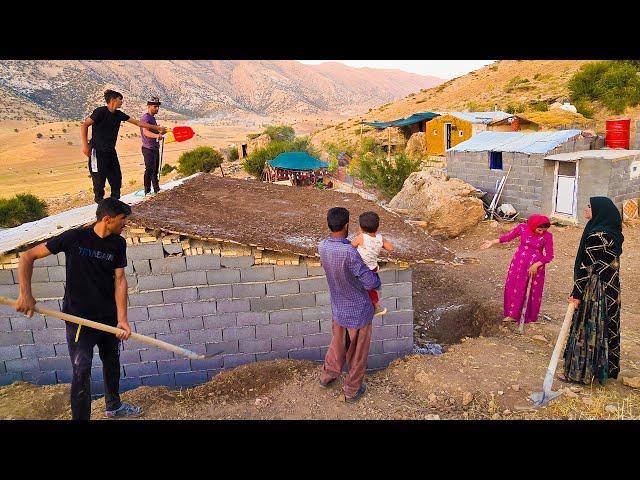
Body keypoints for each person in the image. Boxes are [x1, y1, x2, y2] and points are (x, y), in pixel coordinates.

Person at [15, 198, 142, 420]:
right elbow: (28, 256)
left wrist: (122, 319)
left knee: (112, 362)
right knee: (81, 369)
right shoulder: (74, 238)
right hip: (79, 320)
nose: (125, 225)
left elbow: (120, 280)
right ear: (107, 219)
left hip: (108, 318)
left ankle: (114, 407)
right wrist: (25, 293)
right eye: (122, 220)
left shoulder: (118, 244)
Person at [318, 207, 381, 403]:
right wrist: (376, 276)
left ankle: (327, 377)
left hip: (338, 309)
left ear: (329, 225)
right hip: (359, 313)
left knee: (337, 346)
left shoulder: (323, 246)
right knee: (358, 354)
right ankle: (352, 390)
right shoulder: (349, 253)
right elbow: (370, 283)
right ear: (346, 226)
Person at [561, 197, 624, 385]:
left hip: (595, 291)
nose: (586, 209)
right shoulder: (613, 234)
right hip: (610, 289)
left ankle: (580, 373)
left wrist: (576, 294)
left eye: (589, 206)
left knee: (587, 328)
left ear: (598, 211)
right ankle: (599, 371)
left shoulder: (597, 236)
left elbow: (586, 269)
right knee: (605, 328)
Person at [81, 89, 167, 203]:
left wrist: (157, 128)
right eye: (120, 99)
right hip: (97, 152)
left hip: (111, 151)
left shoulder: (118, 114)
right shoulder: (99, 112)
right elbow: (84, 125)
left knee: (116, 179)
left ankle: (114, 205)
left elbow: (138, 123)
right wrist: (85, 146)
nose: (122, 102)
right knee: (99, 181)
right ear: (113, 100)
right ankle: (101, 208)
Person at [481, 214, 554, 326]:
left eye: (543, 230)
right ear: (533, 225)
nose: (541, 232)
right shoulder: (522, 228)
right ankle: (512, 315)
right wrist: (492, 242)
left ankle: (528, 316)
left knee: (530, 291)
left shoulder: (547, 236)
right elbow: (508, 237)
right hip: (519, 263)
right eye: (539, 229)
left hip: (535, 268)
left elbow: (549, 256)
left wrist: (536, 265)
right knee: (514, 286)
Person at [351, 211, 394, 316]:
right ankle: (374, 303)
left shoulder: (361, 238)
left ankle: (376, 307)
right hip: (373, 267)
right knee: (370, 288)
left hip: (362, 268)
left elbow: (351, 246)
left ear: (361, 228)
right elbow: (390, 248)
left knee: (365, 288)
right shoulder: (380, 238)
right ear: (377, 227)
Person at [140, 95, 164, 196]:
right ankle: (147, 191)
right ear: (149, 106)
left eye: (158, 106)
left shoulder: (152, 118)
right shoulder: (145, 118)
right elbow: (145, 132)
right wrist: (156, 136)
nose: (157, 108)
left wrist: (162, 132)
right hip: (148, 148)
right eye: (155, 106)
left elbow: (155, 132)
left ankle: (156, 189)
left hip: (154, 147)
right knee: (149, 169)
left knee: (155, 169)